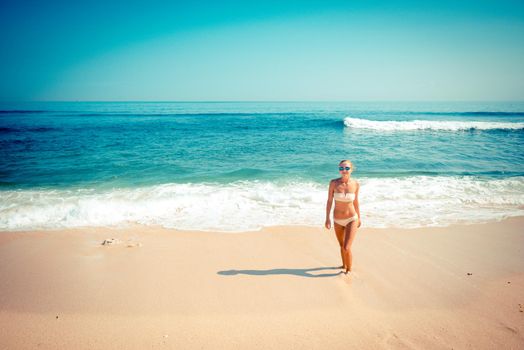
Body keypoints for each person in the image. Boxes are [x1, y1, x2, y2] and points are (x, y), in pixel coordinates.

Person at [325, 159, 361, 274]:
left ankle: (349, 271)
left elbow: (356, 202)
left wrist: (359, 217)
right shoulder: (333, 183)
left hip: (352, 218)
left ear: (351, 169)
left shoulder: (355, 184)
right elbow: (329, 201)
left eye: (346, 168)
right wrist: (327, 218)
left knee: (346, 247)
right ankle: (344, 265)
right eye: (341, 168)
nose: (344, 170)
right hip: (337, 220)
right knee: (341, 245)